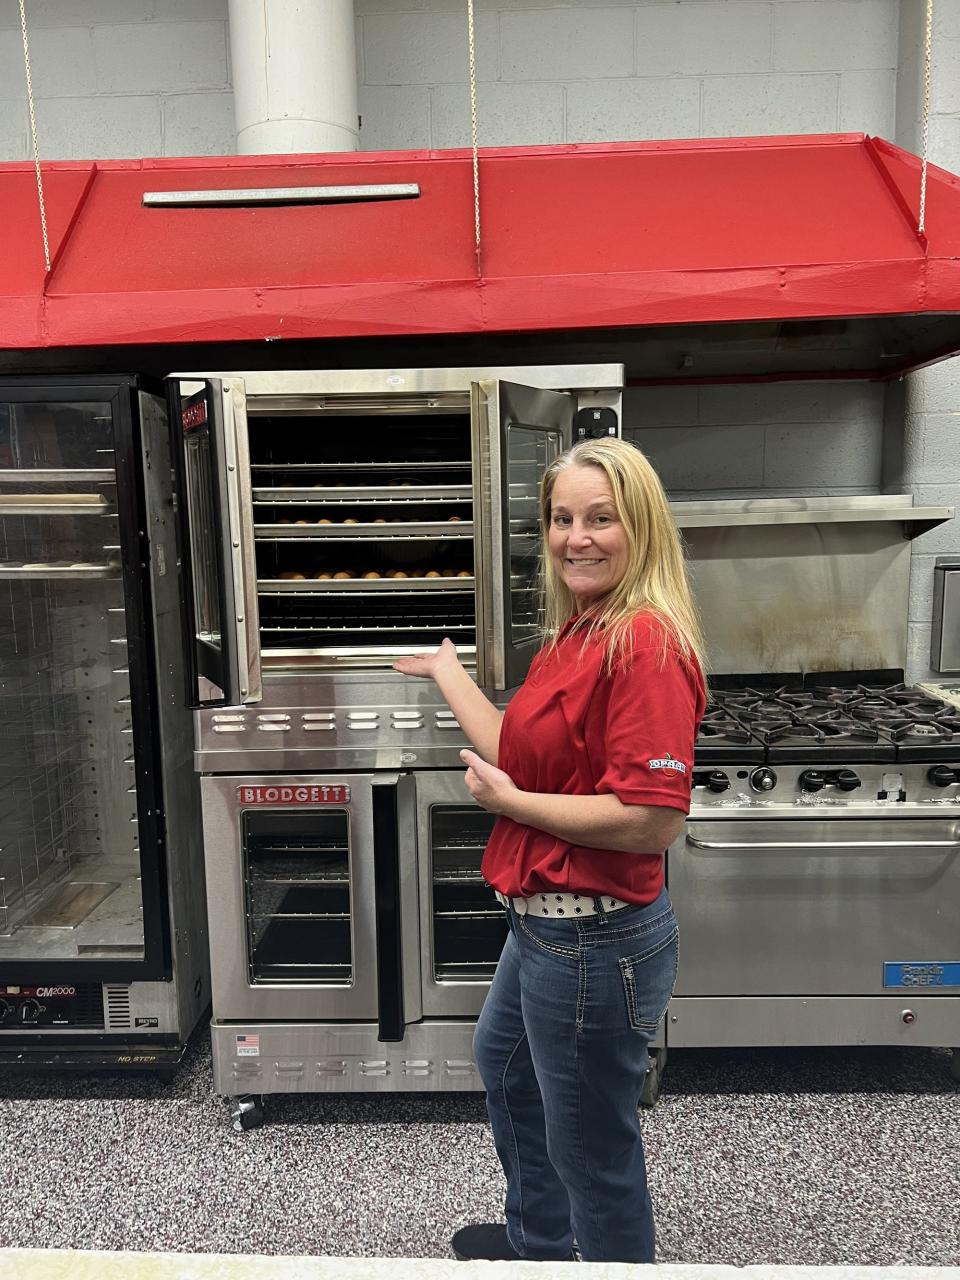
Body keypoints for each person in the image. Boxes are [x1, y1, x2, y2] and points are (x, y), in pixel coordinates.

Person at [394, 437, 706, 1264]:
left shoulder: (645, 645)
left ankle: (597, 1255)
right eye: (563, 518)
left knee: (591, 1148)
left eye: (601, 519)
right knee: (507, 1067)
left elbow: (651, 818)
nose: (578, 537)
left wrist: (510, 804)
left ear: (640, 526)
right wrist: (447, 673)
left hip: (594, 941)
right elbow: (519, 751)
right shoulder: (580, 630)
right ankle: (545, 1242)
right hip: (543, 930)